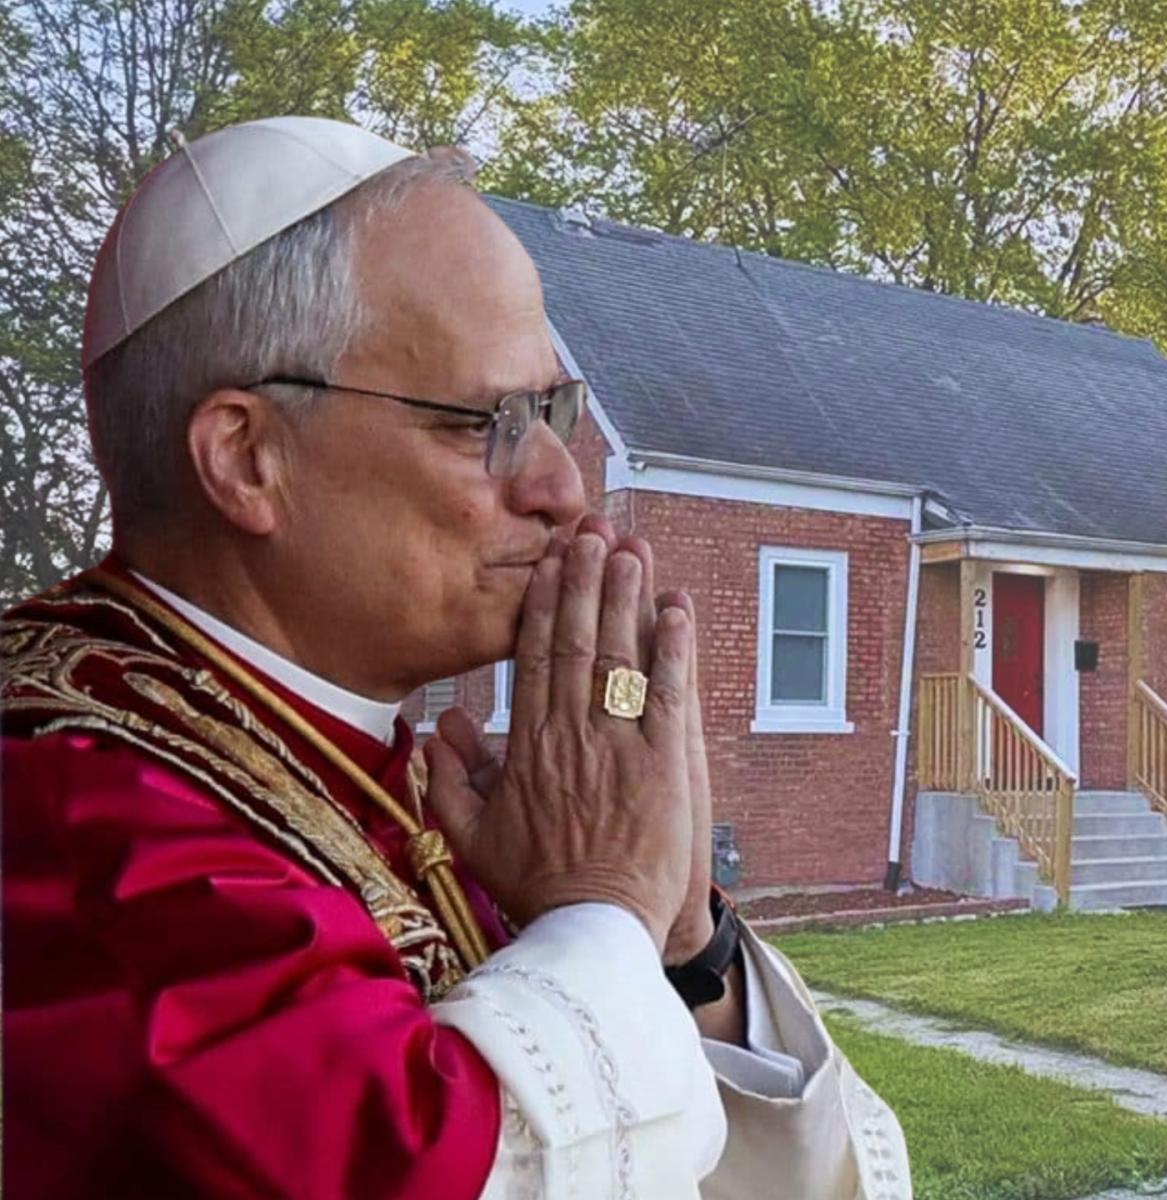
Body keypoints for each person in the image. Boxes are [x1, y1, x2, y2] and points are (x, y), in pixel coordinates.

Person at [1, 116, 910, 1199]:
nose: (560, 487)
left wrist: (674, 936)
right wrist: (603, 906)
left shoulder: (403, 775)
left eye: (553, 412)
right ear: (248, 458)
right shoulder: (70, 812)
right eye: (487, 421)